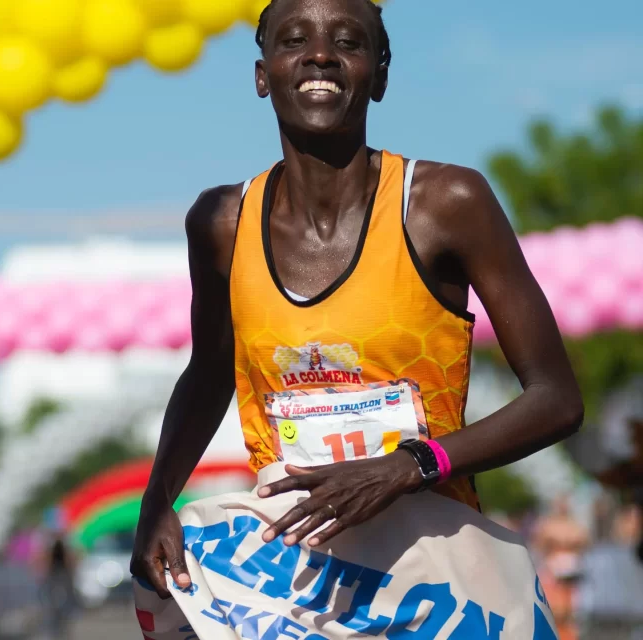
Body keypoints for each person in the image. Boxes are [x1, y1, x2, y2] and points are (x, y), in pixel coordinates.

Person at [130, 0, 583, 598]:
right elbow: (211, 373)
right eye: (295, 40)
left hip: (438, 577)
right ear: (263, 76)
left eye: (348, 41)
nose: (321, 54)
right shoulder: (221, 222)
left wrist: (409, 466)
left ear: (382, 75)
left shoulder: (446, 203)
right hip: (294, 577)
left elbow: (557, 399)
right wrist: (157, 498)